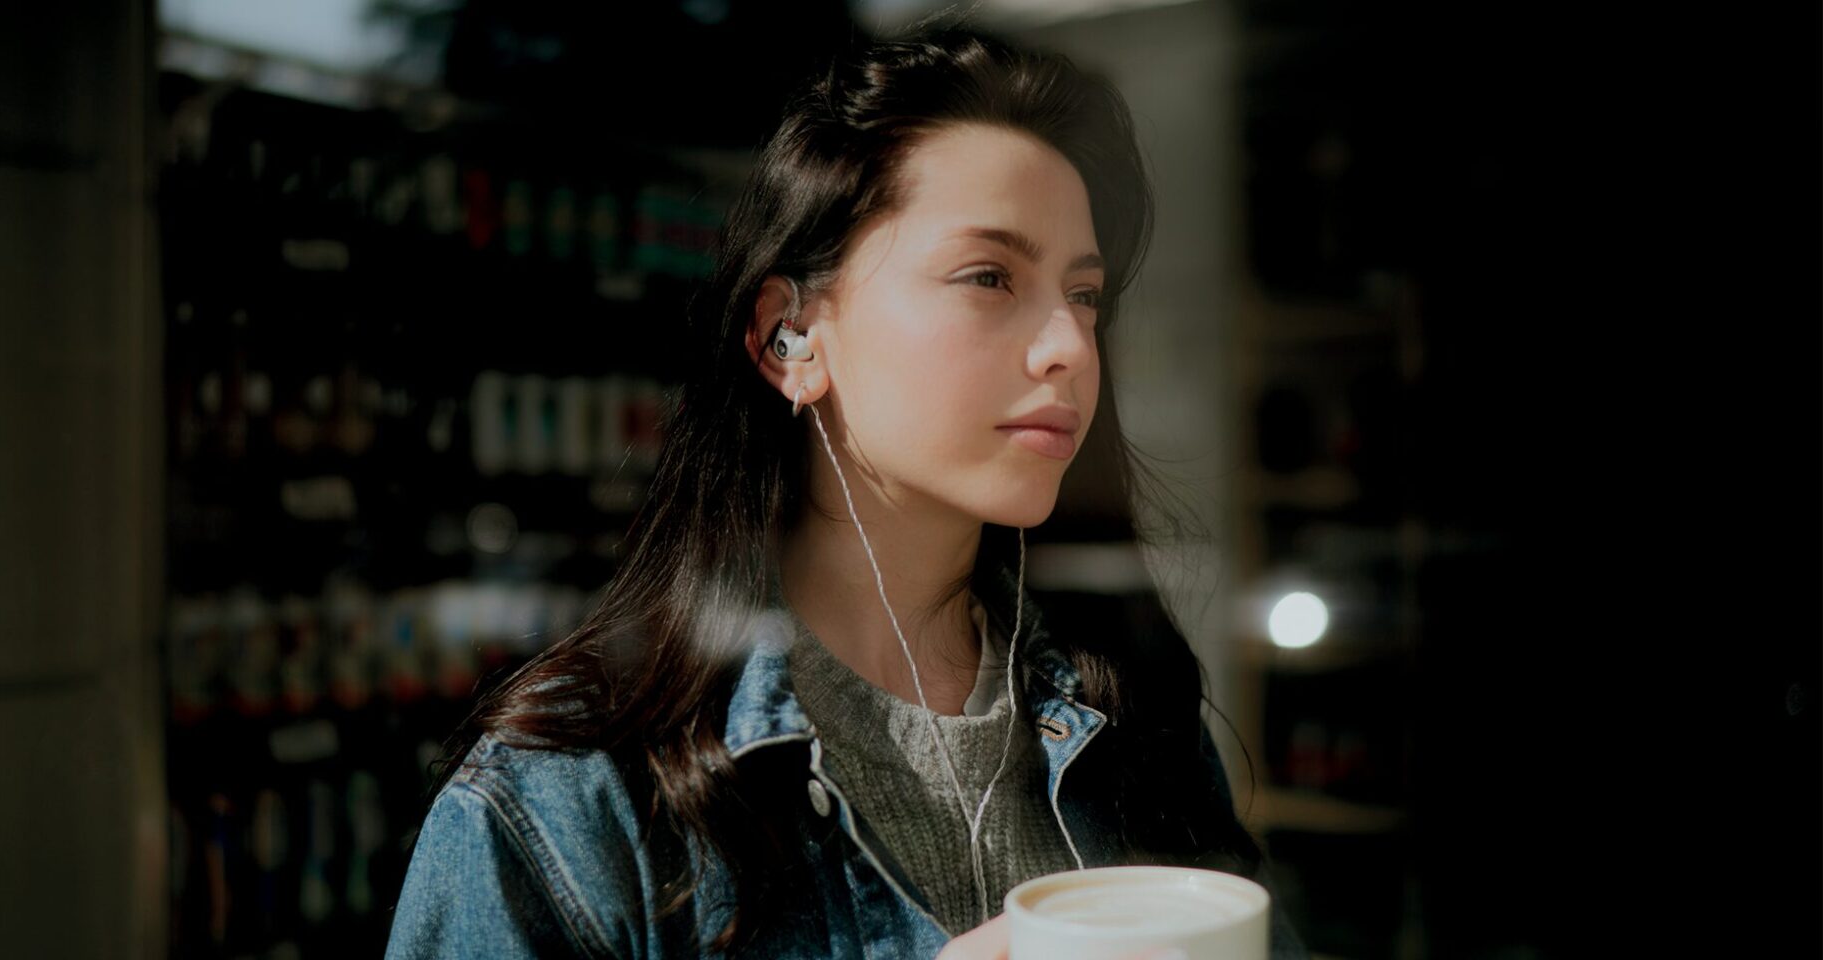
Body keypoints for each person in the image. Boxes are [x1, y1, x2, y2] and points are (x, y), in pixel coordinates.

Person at [384, 21, 1309, 960]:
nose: (1069, 347)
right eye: (989, 276)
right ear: (791, 337)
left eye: (1083, 294)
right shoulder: (573, 801)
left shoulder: (1130, 715)